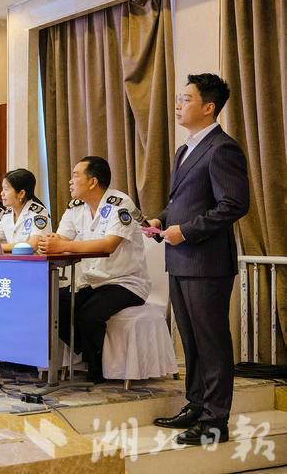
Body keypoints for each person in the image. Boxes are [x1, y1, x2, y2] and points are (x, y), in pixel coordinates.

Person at [149, 74, 249, 445]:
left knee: (211, 342)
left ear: (208, 107)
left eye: (186, 99)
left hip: (206, 263)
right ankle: (195, 405)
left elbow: (234, 204)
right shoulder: (184, 150)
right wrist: (162, 219)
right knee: (191, 341)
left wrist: (187, 232)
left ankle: (215, 421)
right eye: (178, 98)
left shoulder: (223, 149)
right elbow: (184, 202)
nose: (178, 104)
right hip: (180, 259)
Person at [38, 156, 150, 384]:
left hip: (124, 282)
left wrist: (64, 245)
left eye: (76, 176)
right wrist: (49, 241)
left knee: (88, 315)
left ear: (92, 182)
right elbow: (61, 238)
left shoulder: (120, 203)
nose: (71, 181)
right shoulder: (76, 207)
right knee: (54, 304)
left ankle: (96, 369)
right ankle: (86, 352)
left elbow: (109, 244)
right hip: (93, 281)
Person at [0, 169, 52, 252]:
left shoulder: (39, 213)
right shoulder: (7, 213)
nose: (2, 193)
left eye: (6, 189)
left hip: (34, 259)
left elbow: (33, 245)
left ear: (21, 194)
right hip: (13, 259)